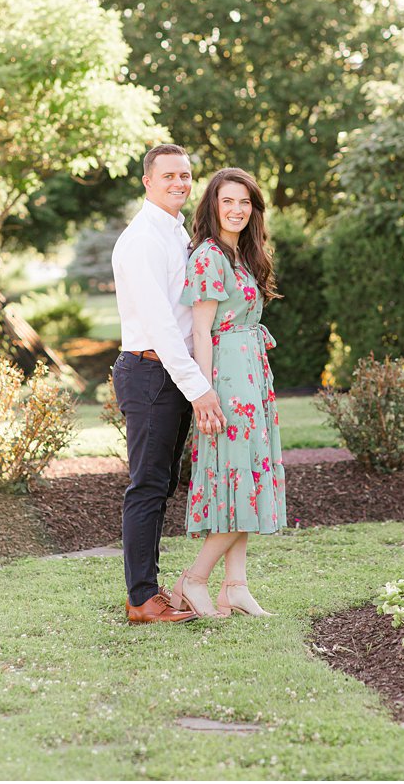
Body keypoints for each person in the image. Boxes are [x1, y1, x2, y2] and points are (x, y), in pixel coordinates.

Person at [111, 143, 227, 624]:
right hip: (150, 372)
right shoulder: (141, 240)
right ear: (147, 181)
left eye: (185, 175)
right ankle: (141, 600)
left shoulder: (175, 233)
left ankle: (150, 589)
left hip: (169, 372)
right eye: (169, 176)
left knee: (159, 488)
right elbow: (161, 326)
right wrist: (199, 388)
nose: (180, 183)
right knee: (147, 487)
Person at [169, 167, 286, 618]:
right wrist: (205, 393)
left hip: (251, 376)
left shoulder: (241, 255)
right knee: (238, 479)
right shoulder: (208, 257)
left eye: (245, 202)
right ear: (213, 206)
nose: (236, 210)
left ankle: (235, 586)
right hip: (227, 383)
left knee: (250, 478)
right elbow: (201, 331)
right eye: (227, 201)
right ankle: (193, 580)